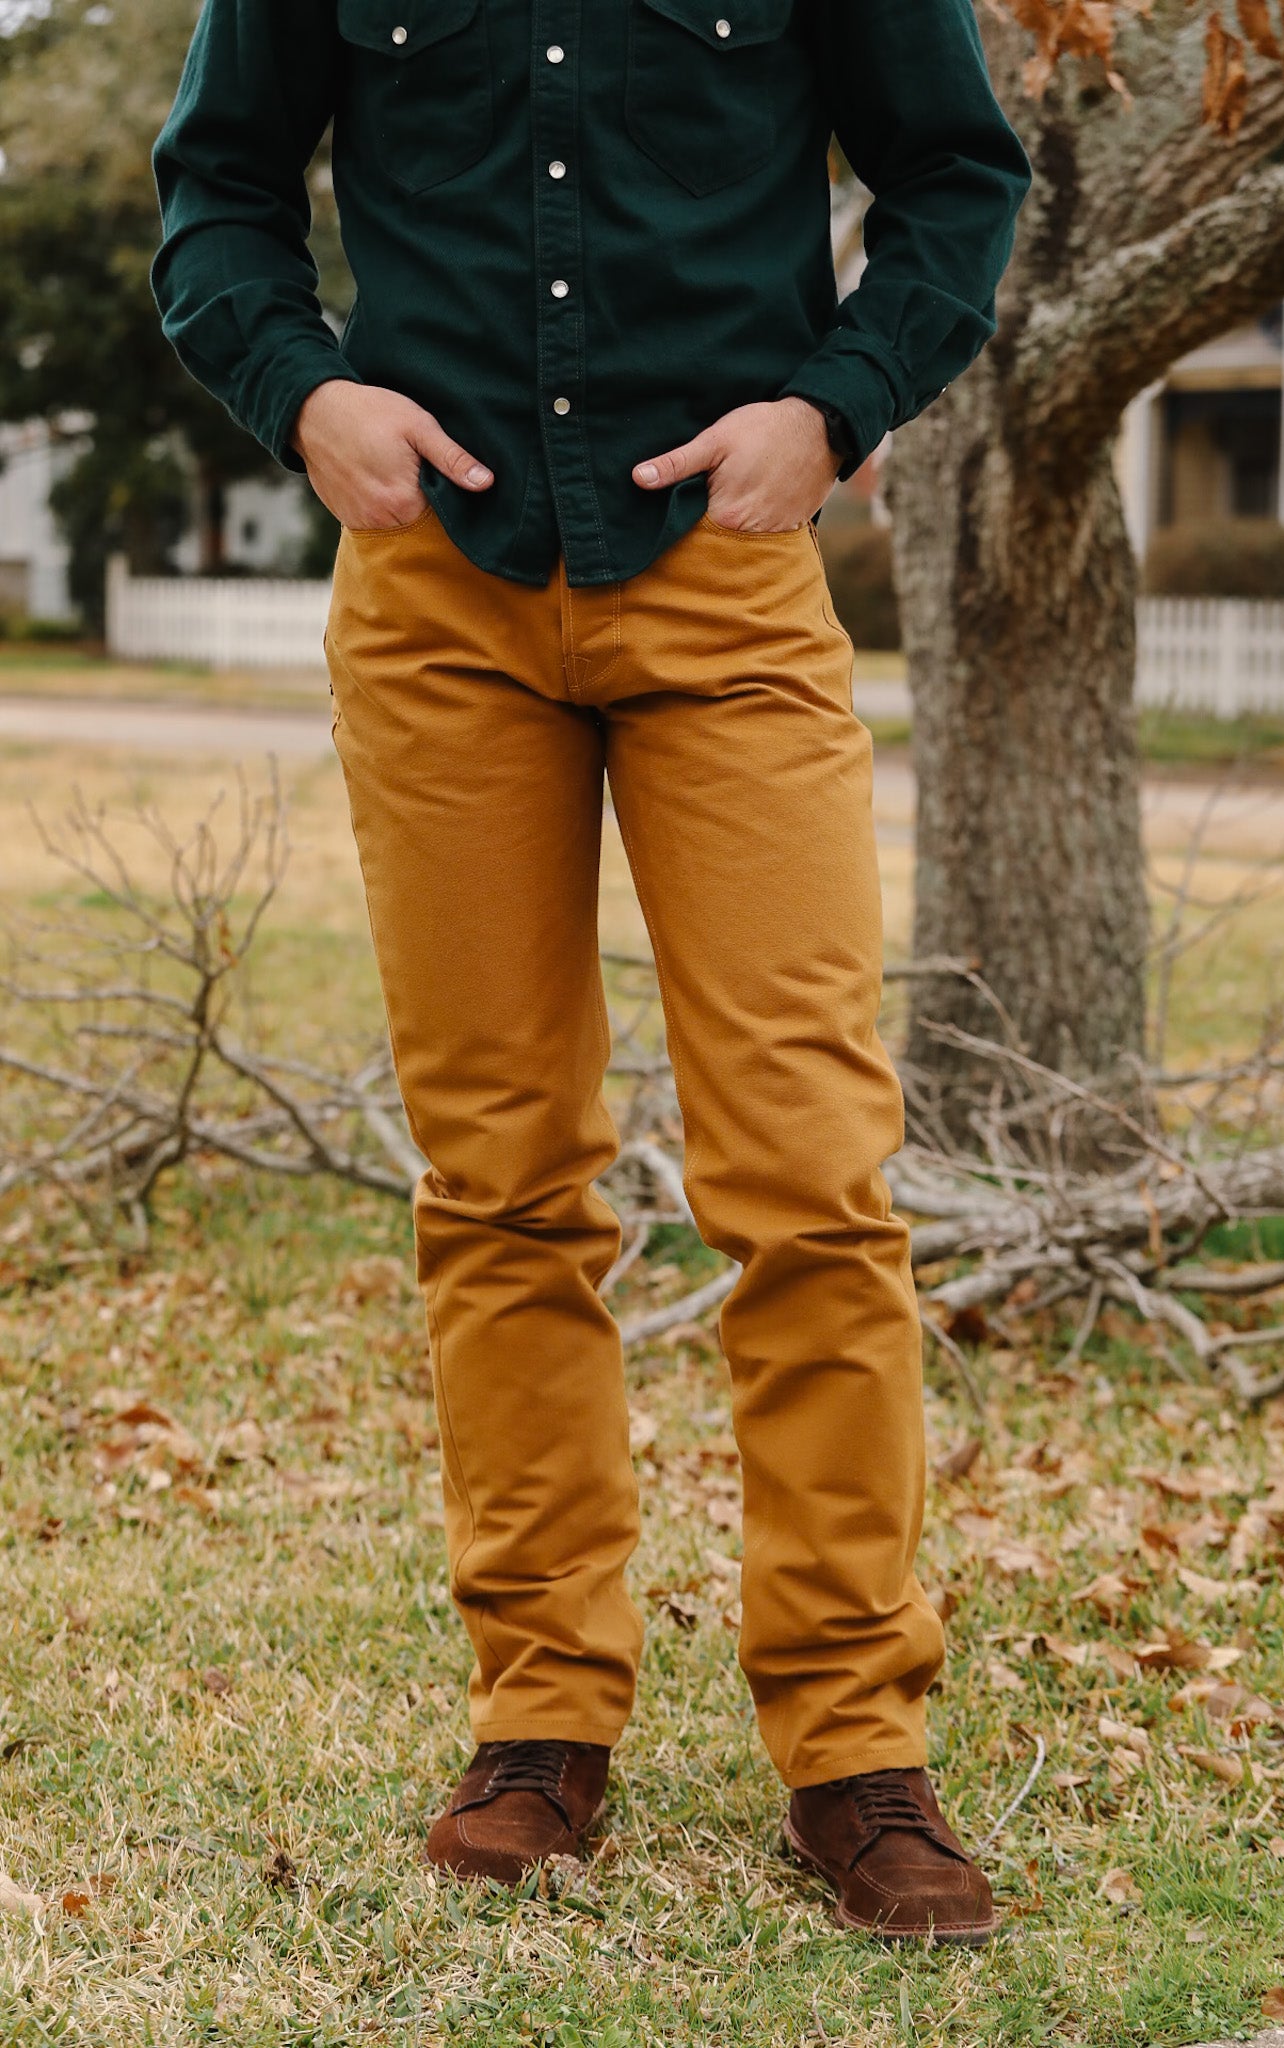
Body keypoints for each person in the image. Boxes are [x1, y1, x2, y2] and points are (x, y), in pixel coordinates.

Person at [151, 0, 1030, 1944]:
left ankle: (852, 1744)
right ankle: (541, 1715)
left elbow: (957, 171)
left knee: (806, 1172)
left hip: (724, 588)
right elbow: (214, 196)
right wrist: (305, 393)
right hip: (436, 602)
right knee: (500, 1175)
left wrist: (831, 407)